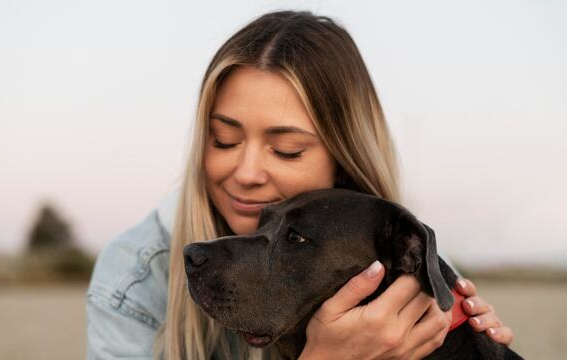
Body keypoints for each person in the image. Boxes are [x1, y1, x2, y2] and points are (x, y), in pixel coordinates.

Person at [86, 10, 513, 360]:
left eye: (287, 149)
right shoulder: (133, 280)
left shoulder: (397, 249)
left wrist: (469, 339)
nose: (247, 172)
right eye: (224, 140)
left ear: (344, 159)